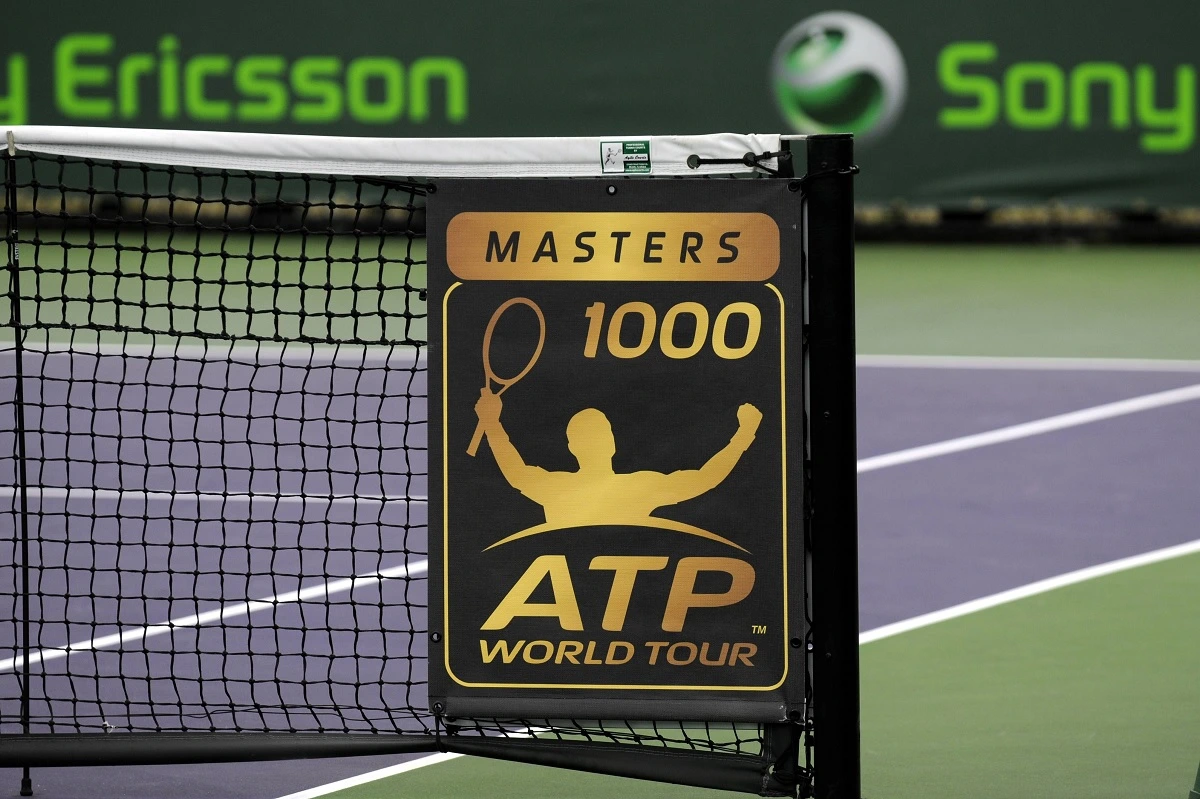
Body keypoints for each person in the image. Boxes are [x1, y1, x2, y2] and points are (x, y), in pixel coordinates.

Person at [473, 388, 762, 529]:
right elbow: (705, 479)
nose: (598, 440)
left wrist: (491, 422)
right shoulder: (638, 488)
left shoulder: (556, 488)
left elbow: (516, 472)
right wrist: (743, 435)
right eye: (591, 435)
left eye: (599, 433)